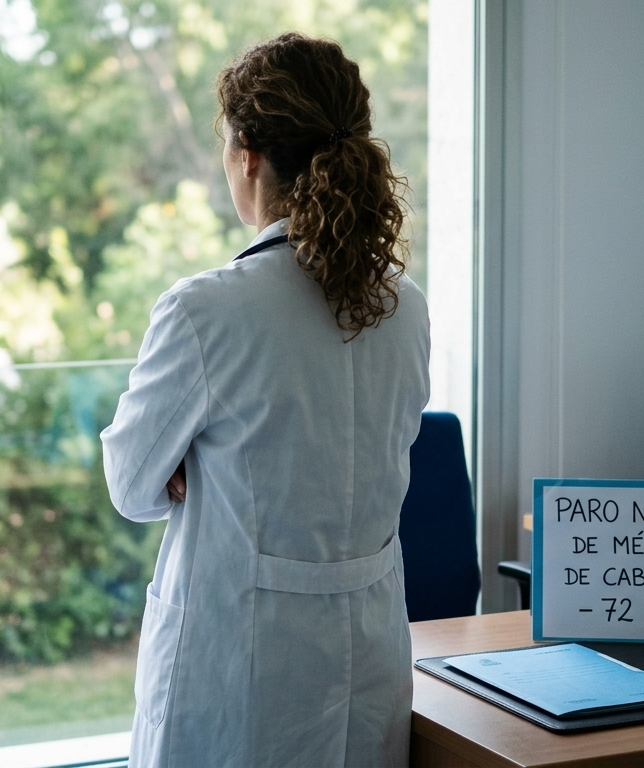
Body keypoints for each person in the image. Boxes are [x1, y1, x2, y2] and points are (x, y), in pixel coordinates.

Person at [101, 32, 429, 767]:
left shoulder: (206, 312)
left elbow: (130, 485)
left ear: (247, 153)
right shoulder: (405, 308)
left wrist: (182, 463)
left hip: (238, 670)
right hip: (368, 660)